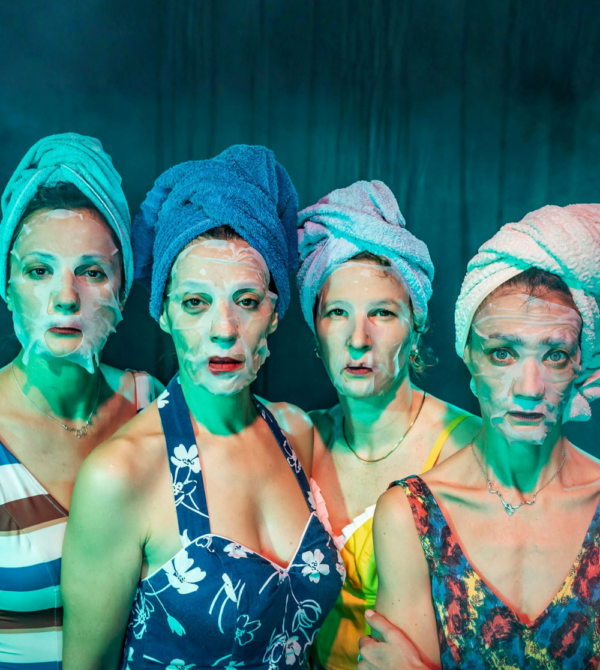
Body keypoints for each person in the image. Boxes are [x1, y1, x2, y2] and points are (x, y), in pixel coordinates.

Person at [61, 145, 345, 670]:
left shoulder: (296, 431)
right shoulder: (121, 475)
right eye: (195, 302)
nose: (223, 329)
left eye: (246, 301)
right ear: (164, 313)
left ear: (275, 313)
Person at [369, 204, 600, 669]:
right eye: (502, 353)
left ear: (580, 362)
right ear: (469, 358)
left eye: (554, 355)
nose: (529, 388)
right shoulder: (411, 516)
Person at [296, 180, 480, 670]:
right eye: (338, 313)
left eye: (382, 313)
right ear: (316, 328)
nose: (358, 339)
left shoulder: (469, 448)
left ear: (416, 327)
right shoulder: (298, 439)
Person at [0, 134, 163, 669]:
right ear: (6, 286)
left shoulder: (155, 407)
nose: (66, 297)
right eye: (39, 270)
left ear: (123, 288)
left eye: (92, 272)